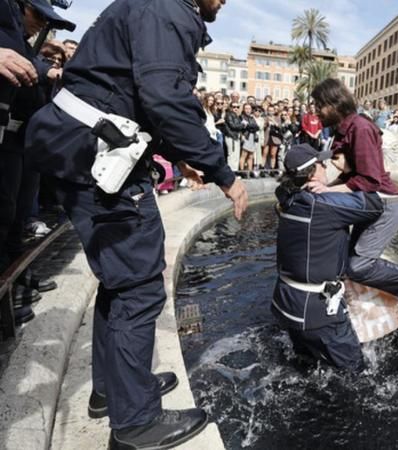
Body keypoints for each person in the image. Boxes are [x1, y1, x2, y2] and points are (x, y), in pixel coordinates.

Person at [25, 0, 249, 448]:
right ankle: (136, 423)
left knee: (119, 279)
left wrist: (180, 156)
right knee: (140, 285)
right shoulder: (167, 10)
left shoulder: (153, 7)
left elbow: (135, 92)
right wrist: (223, 172)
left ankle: (114, 390)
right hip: (96, 152)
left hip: (78, 143)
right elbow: (164, 96)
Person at [309, 78, 398, 321]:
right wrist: (325, 187)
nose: (316, 111)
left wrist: (326, 190)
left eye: (319, 105)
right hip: (369, 205)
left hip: (385, 206)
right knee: (349, 263)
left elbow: (369, 180)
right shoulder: (344, 129)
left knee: (358, 266)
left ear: (334, 103)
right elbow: (352, 176)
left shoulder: (361, 128)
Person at [272, 144, 383, 371]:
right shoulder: (322, 205)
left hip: (285, 303)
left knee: (304, 367)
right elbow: (374, 205)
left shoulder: (285, 196)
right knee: (355, 374)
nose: (326, 166)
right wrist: (344, 184)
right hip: (318, 312)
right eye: (321, 164)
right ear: (312, 174)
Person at [1, 0, 72, 324]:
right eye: (38, 14)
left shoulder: (20, 33)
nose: (42, 24)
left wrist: (45, 67)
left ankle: (14, 287)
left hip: (18, 137)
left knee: (12, 219)